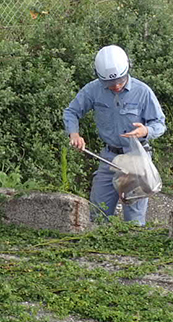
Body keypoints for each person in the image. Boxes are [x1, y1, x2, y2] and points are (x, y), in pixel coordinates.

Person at [63, 45, 166, 224]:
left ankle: (132, 247)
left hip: (137, 157)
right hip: (109, 158)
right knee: (98, 211)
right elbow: (71, 112)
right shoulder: (92, 90)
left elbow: (159, 123)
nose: (116, 86)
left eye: (120, 80)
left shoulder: (143, 92)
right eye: (110, 84)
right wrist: (74, 134)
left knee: (134, 218)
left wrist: (146, 130)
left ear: (128, 70)